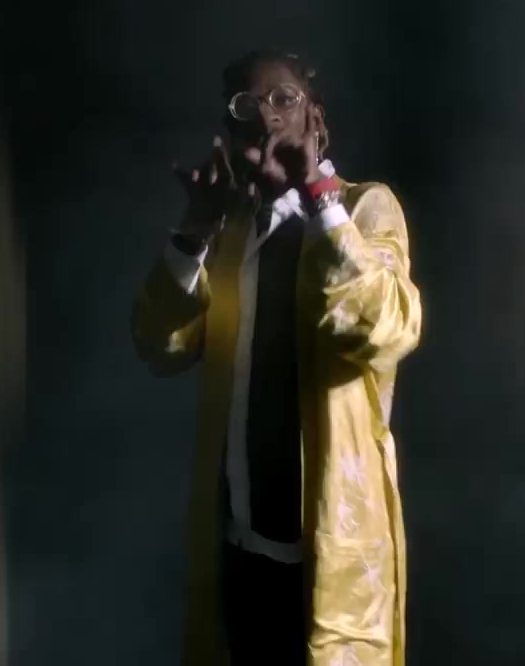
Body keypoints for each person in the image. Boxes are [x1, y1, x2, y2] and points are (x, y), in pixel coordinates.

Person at [130, 49, 423, 666]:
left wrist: (317, 195)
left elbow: (388, 327)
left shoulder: (363, 209)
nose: (266, 115)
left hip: (331, 562)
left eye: (283, 98)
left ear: (316, 118)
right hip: (239, 554)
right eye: (247, 105)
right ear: (231, 128)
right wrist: (194, 231)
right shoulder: (231, 231)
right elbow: (160, 345)